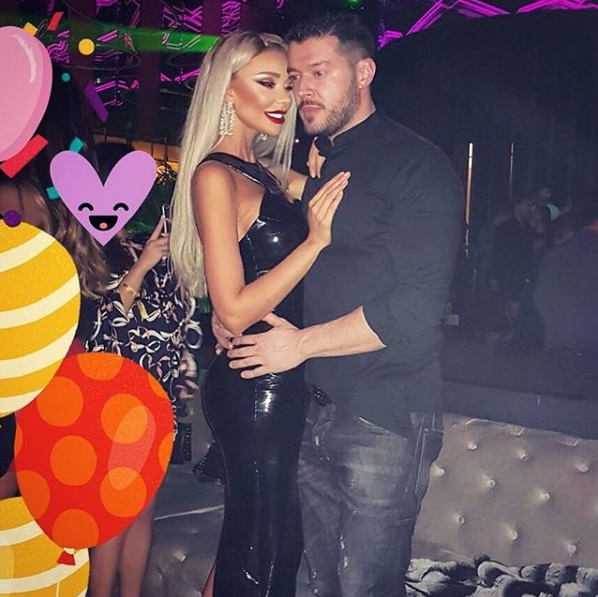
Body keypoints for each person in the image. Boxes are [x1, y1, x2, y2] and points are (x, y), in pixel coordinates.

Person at [221, 12, 463, 597]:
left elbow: (414, 309)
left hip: (383, 415)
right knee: (321, 584)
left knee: (365, 588)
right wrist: (233, 313)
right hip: (309, 407)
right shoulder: (325, 160)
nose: (301, 89)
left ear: (363, 72)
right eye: (294, 76)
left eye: (319, 72)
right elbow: (308, 251)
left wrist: (297, 345)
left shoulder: (417, 165)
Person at [169, 31, 349, 597]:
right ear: (227, 90)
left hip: (279, 373)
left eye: (286, 85)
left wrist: (324, 168)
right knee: (268, 544)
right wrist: (313, 242)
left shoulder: (266, 172)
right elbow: (231, 306)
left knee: (260, 535)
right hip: (254, 382)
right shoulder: (214, 175)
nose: (282, 98)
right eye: (267, 83)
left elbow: (345, 201)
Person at [85, 142, 203, 597]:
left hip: (157, 401)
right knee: (114, 514)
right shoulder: (92, 250)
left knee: (141, 512)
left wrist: (167, 259)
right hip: (114, 402)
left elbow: (179, 328)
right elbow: (101, 332)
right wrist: (143, 265)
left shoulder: (159, 249)